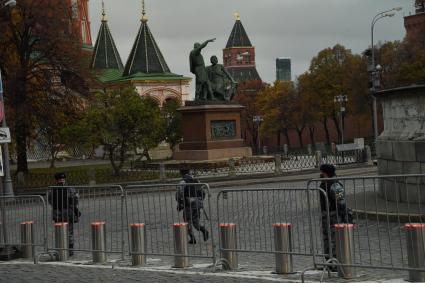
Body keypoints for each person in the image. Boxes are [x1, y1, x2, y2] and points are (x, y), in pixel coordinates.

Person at [319, 164, 353, 269]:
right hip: (327, 216)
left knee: (334, 240)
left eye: (322, 172)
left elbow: (341, 202)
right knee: (327, 239)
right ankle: (329, 262)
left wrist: (344, 216)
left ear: (326, 172)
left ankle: (336, 263)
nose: (320, 174)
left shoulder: (335, 185)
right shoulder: (325, 183)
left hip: (334, 216)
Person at [48, 173, 81, 256]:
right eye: (61, 179)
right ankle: (68, 250)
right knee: (68, 231)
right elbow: (75, 200)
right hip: (65, 213)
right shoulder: (70, 189)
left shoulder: (52, 189)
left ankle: (63, 249)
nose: (62, 180)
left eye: (62, 179)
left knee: (62, 232)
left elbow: (50, 201)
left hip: (60, 213)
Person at [176, 168, 209, 244]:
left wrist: (181, 203)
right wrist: (200, 201)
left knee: (187, 221)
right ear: (189, 172)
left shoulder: (183, 182)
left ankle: (192, 238)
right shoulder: (196, 181)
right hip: (198, 203)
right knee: (196, 220)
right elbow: (203, 193)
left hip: (189, 204)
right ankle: (203, 230)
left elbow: (179, 193)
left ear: (181, 174)